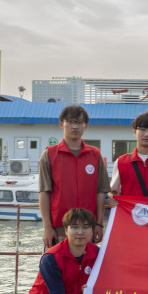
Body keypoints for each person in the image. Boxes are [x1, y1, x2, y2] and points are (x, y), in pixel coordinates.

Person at [38, 105, 110, 249]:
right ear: (61, 124)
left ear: (86, 126)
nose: (75, 126)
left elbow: (100, 192)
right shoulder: (49, 154)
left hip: (87, 227)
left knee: (87, 262)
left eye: (79, 122)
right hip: (59, 227)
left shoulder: (95, 154)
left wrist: (99, 224)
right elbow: (44, 192)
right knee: (56, 263)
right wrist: (47, 227)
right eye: (70, 122)